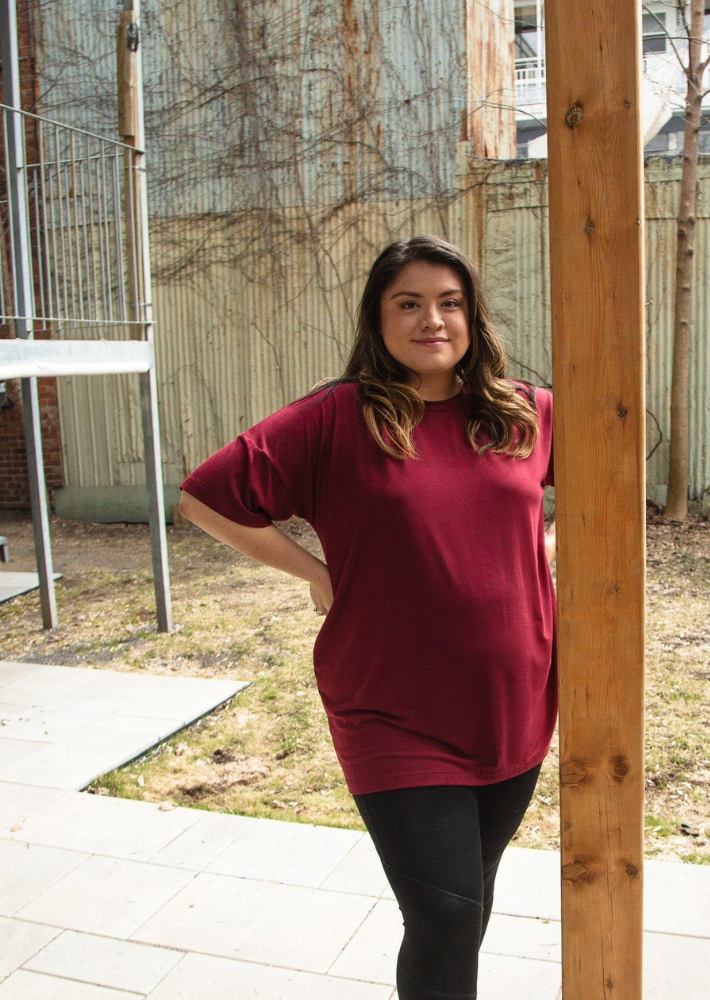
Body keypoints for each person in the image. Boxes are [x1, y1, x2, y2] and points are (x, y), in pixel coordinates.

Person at [175, 234, 557, 1000]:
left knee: (466, 905)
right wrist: (316, 573)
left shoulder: (525, 413)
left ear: (473, 316)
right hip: (391, 705)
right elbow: (204, 497)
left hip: (514, 699)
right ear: (377, 320)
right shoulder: (337, 418)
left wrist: (539, 546)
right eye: (407, 304)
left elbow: (599, 492)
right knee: (446, 913)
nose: (431, 320)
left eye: (449, 302)